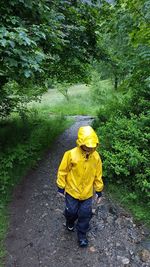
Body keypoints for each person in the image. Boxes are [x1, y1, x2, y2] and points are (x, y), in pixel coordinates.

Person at [56, 125, 104, 247]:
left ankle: (82, 235)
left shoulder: (96, 157)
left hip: (87, 193)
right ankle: (69, 221)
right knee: (71, 211)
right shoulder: (70, 154)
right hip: (72, 191)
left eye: (92, 146)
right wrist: (61, 188)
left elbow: (98, 175)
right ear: (80, 143)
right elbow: (62, 171)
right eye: (87, 146)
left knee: (85, 214)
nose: (89, 149)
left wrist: (98, 191)